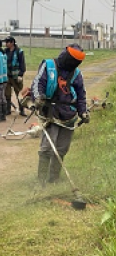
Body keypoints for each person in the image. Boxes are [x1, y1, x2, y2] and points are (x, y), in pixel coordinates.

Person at [29, 44, 90, 185]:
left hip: (69, 115)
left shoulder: (76, 74)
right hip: (51, 112)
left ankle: (54, 179)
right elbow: (38, 83)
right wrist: (38, 98)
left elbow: (81, 95)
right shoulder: (49, 66)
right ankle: (41, 180)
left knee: (62, 149)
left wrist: (83, 112)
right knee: (47, 148)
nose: (73, 64)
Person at [4, 36, 26, 116]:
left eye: (7, 42)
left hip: (16, 77)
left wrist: (21, 75)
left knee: (19, 94)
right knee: (7, 94)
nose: (6, 44)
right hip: (7, 76)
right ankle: (8, 110)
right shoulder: (5, 51)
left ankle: (22, 110)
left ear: (12, 42)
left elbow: (22, 63)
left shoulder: (19, 51)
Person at [0, 41, 7, 121]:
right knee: (2, 97)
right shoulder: (3, 54)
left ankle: (2, 115)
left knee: (1, 98)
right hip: (4, 79)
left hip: (1, 80)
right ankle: (3, 115)